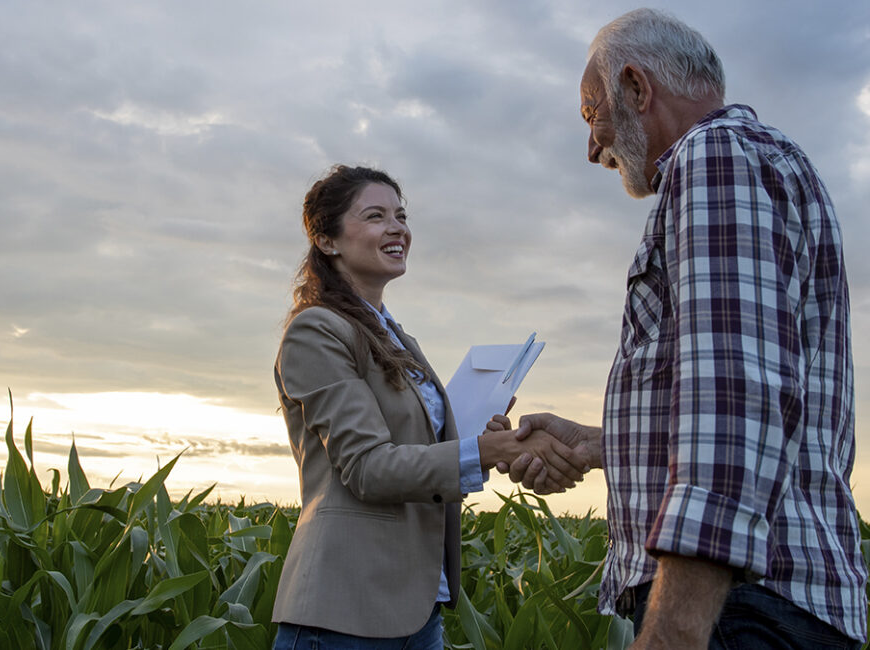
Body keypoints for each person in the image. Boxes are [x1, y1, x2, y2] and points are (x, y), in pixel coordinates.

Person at [505, 8, 867, 649]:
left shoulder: (715, 156)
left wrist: (672, 631)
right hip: (757, 605)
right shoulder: (759, 162)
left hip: (739, 610)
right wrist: (594, 444)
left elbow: (733, 404)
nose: (593, 148)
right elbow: (746, 393)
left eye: (593, 115)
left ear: (639, 89)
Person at [271, 164, 583, 649]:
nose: (397, 228)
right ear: (327, 239)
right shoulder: (316, 330)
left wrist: (484, 435)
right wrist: (483, 450)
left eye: (401, 215)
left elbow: (419, 456)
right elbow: (367, 467)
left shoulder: (399, 338)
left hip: (419, 611)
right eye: (376, 216)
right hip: (345, 611)